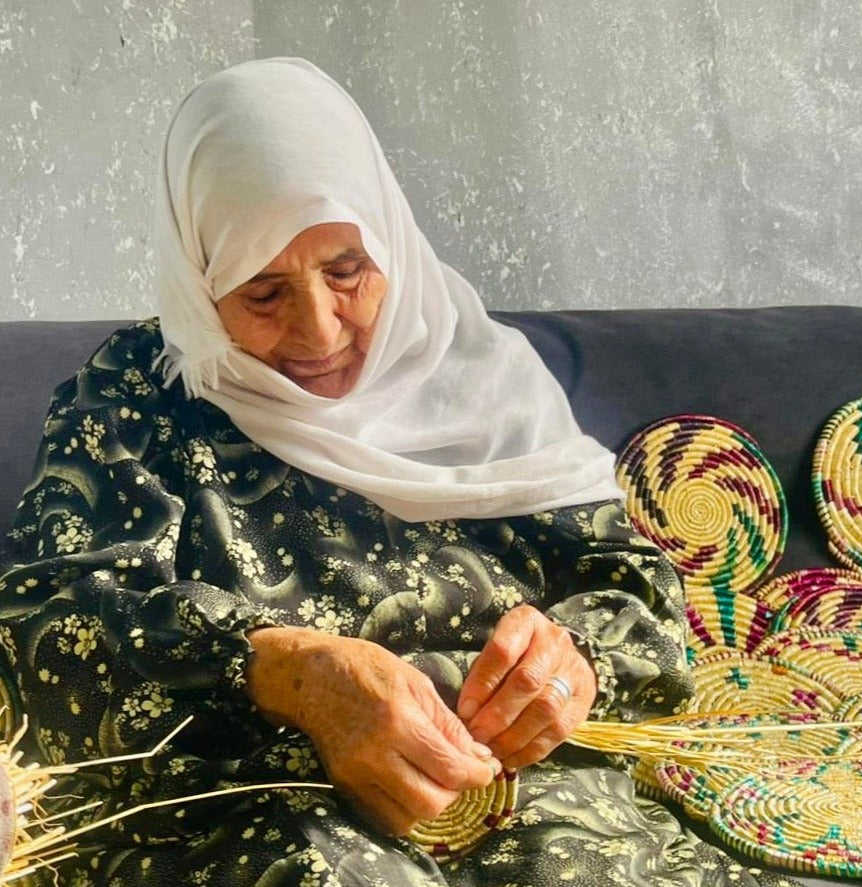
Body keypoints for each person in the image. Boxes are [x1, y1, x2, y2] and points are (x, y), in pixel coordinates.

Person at [0, 59, 801, 887]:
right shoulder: (140, 396)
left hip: (532, 795)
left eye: (346, 269)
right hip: (262, 796)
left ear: (388, 235)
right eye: (263, 292)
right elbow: (51, 631)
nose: (318, 328)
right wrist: (284, 670)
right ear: (201, 285)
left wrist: (576, 663)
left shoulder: (484, 373)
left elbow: (641, 598)